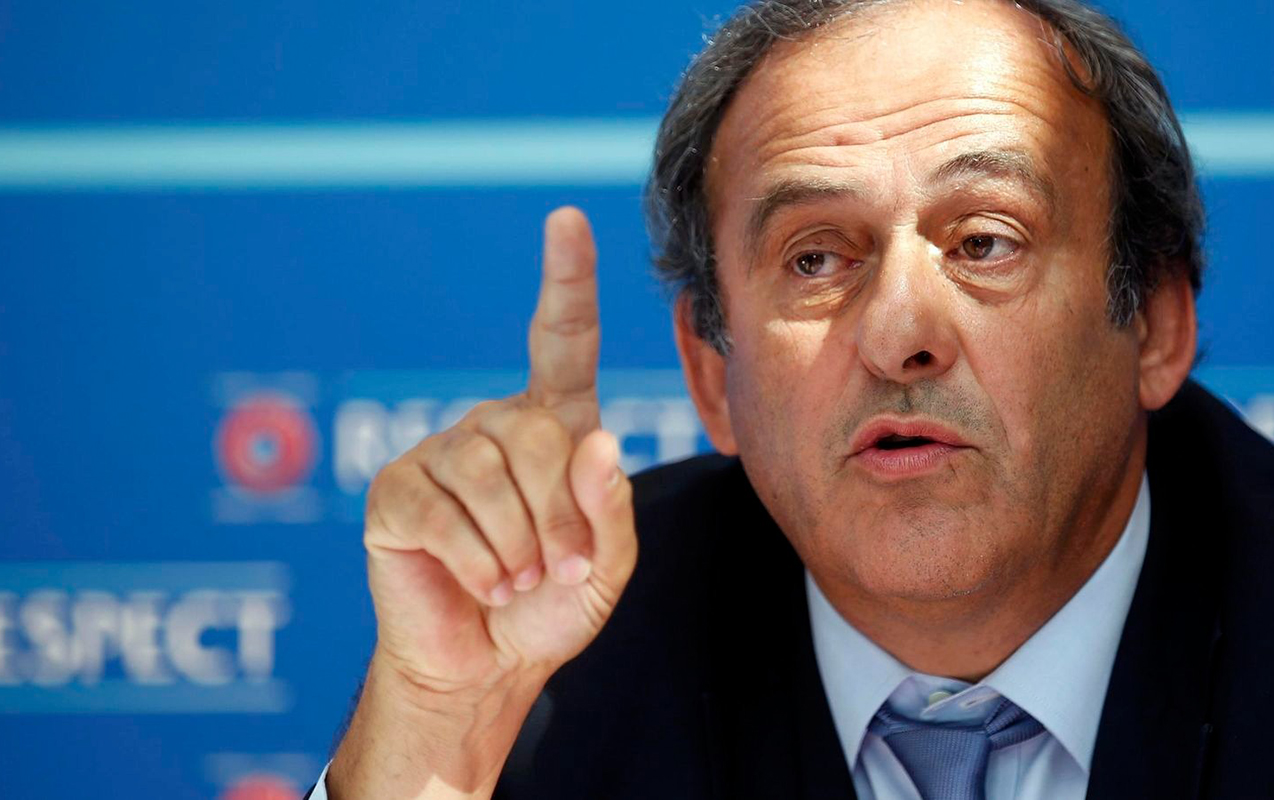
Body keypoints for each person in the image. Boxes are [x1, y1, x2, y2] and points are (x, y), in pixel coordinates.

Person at [309, 0, 1274, 797]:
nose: (900, 334)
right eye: (815, 259)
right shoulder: (565, 659)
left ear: (1155, 322)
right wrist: (439, 729)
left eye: (984, 242)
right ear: (710, 374)